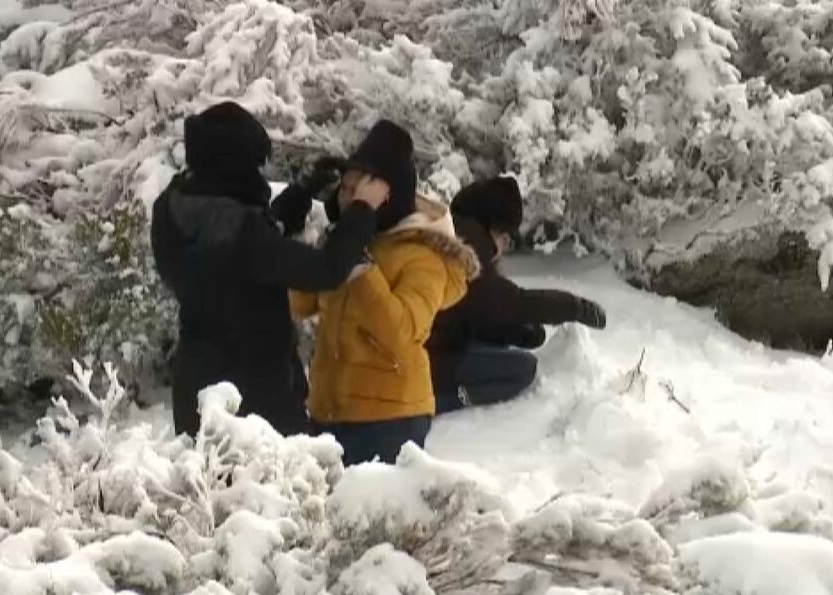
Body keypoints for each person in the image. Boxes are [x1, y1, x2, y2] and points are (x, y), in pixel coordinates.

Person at [150, 101, 390, 438]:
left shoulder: (172, 209)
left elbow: (246, 249)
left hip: (197, 391)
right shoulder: (242, 231)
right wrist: (363, 208)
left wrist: (303, 190)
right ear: (234, 164)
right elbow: (326, 269)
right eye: (254, 164)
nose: (257, 174)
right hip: (255, 405)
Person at [291, 120, 481, 466]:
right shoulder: (348, 240)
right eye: (345, 189)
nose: (347, 198)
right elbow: (301, 303)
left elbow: (402, 332)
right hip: (327, 412)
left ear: (387, 196)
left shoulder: (422, 256)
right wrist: (315, 247)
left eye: (358, 191)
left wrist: (361, 268)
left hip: (389, 420)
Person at [427, 176, 606, 413]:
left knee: (501, 352)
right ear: (494, 228)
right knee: (523, 369)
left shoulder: (454, 233)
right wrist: (576, 307)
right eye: (507, 239)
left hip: (436, 346)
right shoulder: (468, 249)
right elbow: (516, 302)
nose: (504, 248)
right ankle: (439, 401)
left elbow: (477, 311)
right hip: (429, 360)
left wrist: (519, 333)